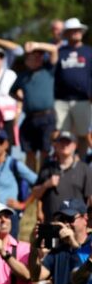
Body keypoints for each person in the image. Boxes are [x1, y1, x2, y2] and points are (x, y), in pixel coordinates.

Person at [10, 42, 58, 172]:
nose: (38, 59)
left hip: (47, 117)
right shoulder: (23, 76)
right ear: (27, 60)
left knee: (45, 151)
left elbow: (54, 49)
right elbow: (12, 92)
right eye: (34, 56)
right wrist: (22, 99)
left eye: (40, 56)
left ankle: (43, 179)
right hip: (30, 118)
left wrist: (36, 46)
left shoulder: (48, 70)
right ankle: (31, 181)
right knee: (29, 151)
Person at [33, 131, 92, 222]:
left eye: (68, 142)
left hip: (74, 226)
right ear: (56, 145)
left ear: (75, 146)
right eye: (61, 142)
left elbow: (90, 199)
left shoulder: (84, 169)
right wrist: (46, 185)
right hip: (51, 224)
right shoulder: (47, 167)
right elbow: (35, 194)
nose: (64, 145)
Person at [54, 18, 92, 155]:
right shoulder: (60, 51)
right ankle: (65, 164)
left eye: (78, 30)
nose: (76, 33)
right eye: (72, 31)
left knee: (84, 134)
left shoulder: (89, 51)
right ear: (67, 34)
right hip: (61, 100)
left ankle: (80, 164)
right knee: (63, 134)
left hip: (83, 100)